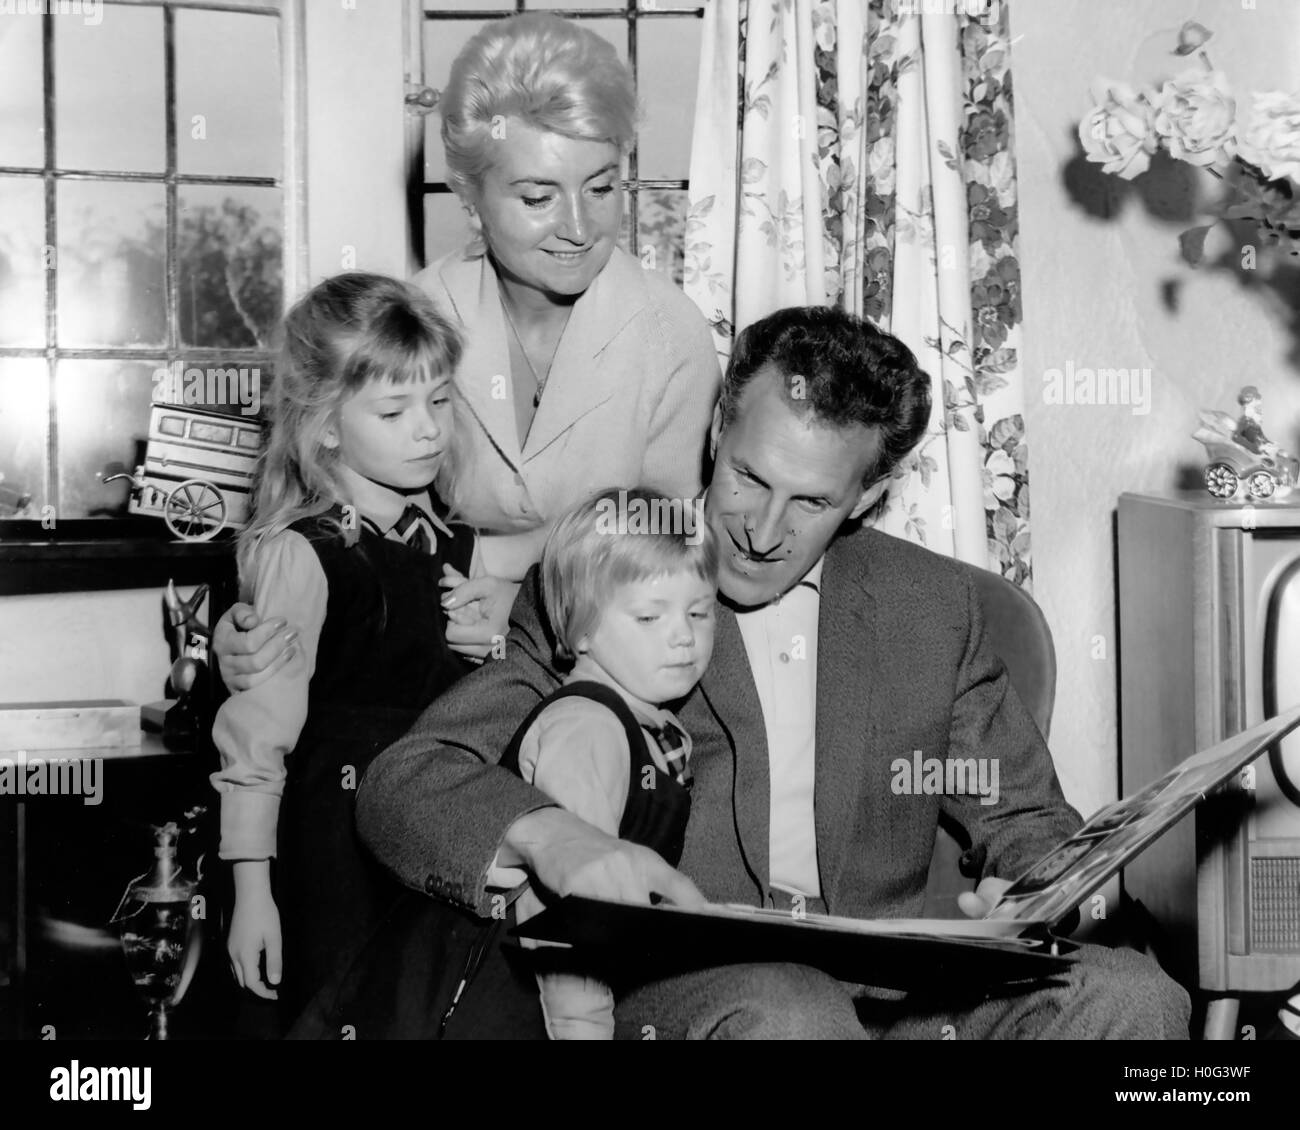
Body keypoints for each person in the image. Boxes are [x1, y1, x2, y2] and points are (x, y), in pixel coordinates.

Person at [344, 304, 1192, 1039]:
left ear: (866, 495)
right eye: (748, 477)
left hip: (906, 1003)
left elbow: (1027, 815)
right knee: (791, 1012)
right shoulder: (617, 578)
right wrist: (555, 835)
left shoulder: (933, 607)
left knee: (1131, 996)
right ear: (718, 434)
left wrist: (1033, 890)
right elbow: (409, 782)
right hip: (701, 1001)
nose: (759, 530)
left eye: (813, 502)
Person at [213, 11, 720, 671]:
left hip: (602, 678)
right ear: (469, 197)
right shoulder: (417, 317)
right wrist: (250, 629)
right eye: (538, 197)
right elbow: (324, 522)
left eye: (600, 188)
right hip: (415, 678)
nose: (577, 226)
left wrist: (517, 607)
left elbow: (669, 558)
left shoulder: (671, 334)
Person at [209, 272, 478, 1025]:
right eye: (393, 410)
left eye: (441, 399)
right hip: (331, 856)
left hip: (428, 845)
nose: (427, 428)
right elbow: (256, 744)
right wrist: (253, 893)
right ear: (325, 425)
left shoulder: (452, 541)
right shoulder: (305, 554)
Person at [507, 486, 718, 1038]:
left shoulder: (649, 726)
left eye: (700, 611)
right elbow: (570, 920)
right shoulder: (589, 729)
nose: (683, 637)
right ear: (581, 631)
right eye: (649, 618)